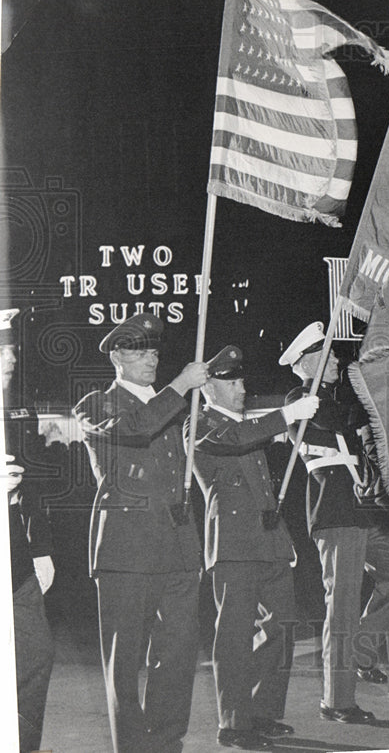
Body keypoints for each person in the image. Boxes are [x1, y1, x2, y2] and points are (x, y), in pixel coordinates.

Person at [280, 322, 389, 725]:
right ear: (307, 361)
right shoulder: (301, 398)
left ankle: (358, 654)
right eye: (328, 355)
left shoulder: (335, 396)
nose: (336, 360)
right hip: (335, 515)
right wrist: (367, 390)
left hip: (364, 512)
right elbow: (339, 421)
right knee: (343, 610)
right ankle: (337, 700)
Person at [73, 312, 208, 753]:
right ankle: (133, 747)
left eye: (153, 350)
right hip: (127, 552)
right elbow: (134, 428)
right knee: (125, 662)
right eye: (138, 350)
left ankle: (167, 741)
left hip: (178, 548)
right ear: (116, 356)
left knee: (177, 654)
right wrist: (181, 387)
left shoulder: (170, 404)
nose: (150, 357)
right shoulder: (96, 403)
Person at [191, 345, 318, 750]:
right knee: (233, 635)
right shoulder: (202, 424)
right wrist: (284, 415)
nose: (240, 387)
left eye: (241, 379)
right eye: (230, 382)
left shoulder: (248, 424)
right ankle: (233, 723)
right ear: (208, 387)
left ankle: (262, 712)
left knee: (281, 626)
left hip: (269, 540)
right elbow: (234, 439)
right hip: (232, 544)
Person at [2, 307, 56, 752]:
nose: (10, 358)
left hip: (17, 561)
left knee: (35, 661)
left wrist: (42, 549)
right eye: (1, 350)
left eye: (11, 349)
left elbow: (33, 484)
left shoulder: (15, 410)